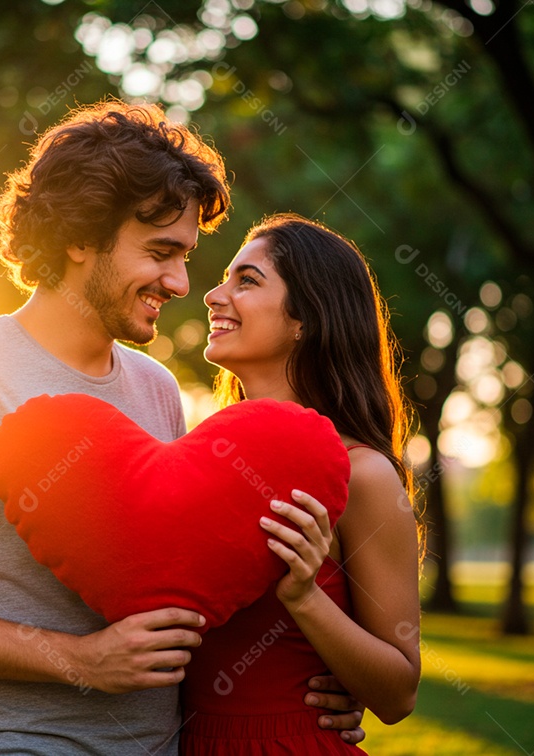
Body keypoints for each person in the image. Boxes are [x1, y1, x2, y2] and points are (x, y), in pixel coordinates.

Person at [0, 102, 363, 754]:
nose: (180, 282)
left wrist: (313, 685)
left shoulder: (155, 389)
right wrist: (79, 660)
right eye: (160, 252)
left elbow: (184, 581)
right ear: (80, 237)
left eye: (184, 256)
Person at [179, 214, 423, 754]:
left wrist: (305, 597)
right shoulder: (199, 459)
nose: (214, 295)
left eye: (248, 280)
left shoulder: (363, 474)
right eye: (225, 277)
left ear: (305, 319)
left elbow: (399, 691)